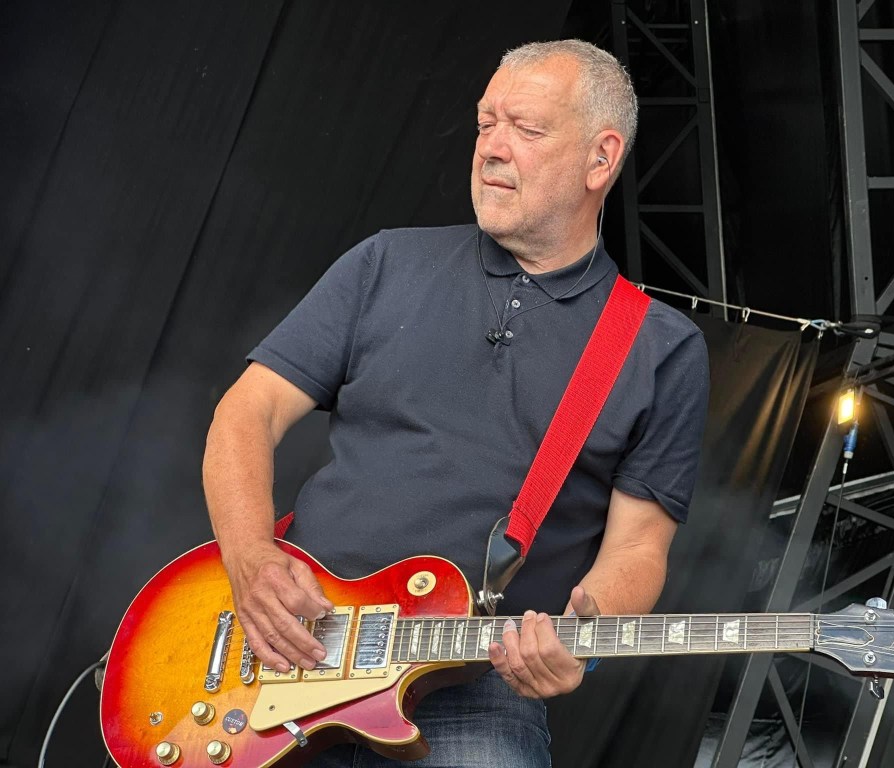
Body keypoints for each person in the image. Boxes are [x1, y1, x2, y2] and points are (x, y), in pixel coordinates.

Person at [202, 39, 709, 767]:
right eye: (485, 123)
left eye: (526, 129)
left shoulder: (659, 346)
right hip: (290, 644)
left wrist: (580, 637)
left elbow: (637, 548)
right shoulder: (385, 261)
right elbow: (245, 412)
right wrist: (250, 560)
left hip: (476, 683)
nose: (492, 148)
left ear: (601, 160)